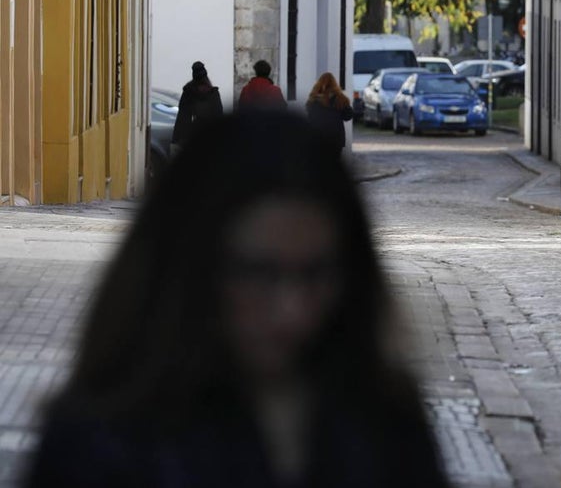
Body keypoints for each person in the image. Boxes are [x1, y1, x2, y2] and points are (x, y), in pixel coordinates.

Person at [22, 111, 449, 486]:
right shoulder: (100, 438)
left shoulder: (386, 423)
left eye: (316, 274)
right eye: (257, 273)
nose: (291, 312)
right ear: (189, 267)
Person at [172, 60, 223, 153]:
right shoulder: (213, 94)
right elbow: (219, 117)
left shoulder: (188, 93)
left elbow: (182, 118)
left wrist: (176, 140)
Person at [305, 72, 354, 157]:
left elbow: (310, 119)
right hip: (336, 138)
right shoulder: (339, 99)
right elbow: (348, 115)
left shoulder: (313, 100)